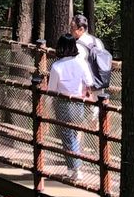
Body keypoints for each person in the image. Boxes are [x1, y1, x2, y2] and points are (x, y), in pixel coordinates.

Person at [48, 34, 96, 186]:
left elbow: (51, 89)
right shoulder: (81, 62)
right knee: (73, 135)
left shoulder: (56, 66)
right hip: (78, 102)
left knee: (68, 136)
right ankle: (71, 168)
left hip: (62, 103)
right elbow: (89, 81)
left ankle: (76, 168)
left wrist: (48, 105)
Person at [72, 13, 112, 97]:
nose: (70, 30)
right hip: (99, 83)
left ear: (81, 29)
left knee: (86, 109)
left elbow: (79, 67)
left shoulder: (78, 46)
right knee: (98, 107)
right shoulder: (97, 41)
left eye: (72, 28)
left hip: (86, 87)